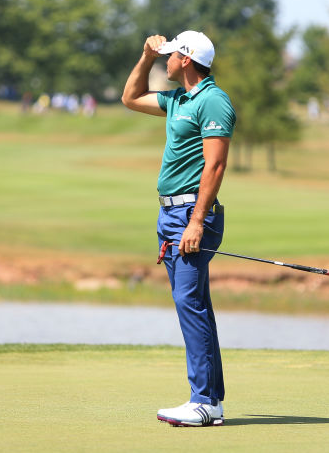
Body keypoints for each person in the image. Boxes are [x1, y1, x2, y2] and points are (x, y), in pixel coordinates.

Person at [121, 30, 236, 427]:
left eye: (170, 55)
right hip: (170, 216)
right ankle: (212, 401)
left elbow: (215, 166)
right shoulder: (177, 100)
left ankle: (203, 400)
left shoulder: (213, 101)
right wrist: (146, 55)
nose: (165, 60)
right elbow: (130, 98)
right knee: (194, 305)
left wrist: (196, 222)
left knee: (190, 304)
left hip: (191, 214)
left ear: (185, 60)